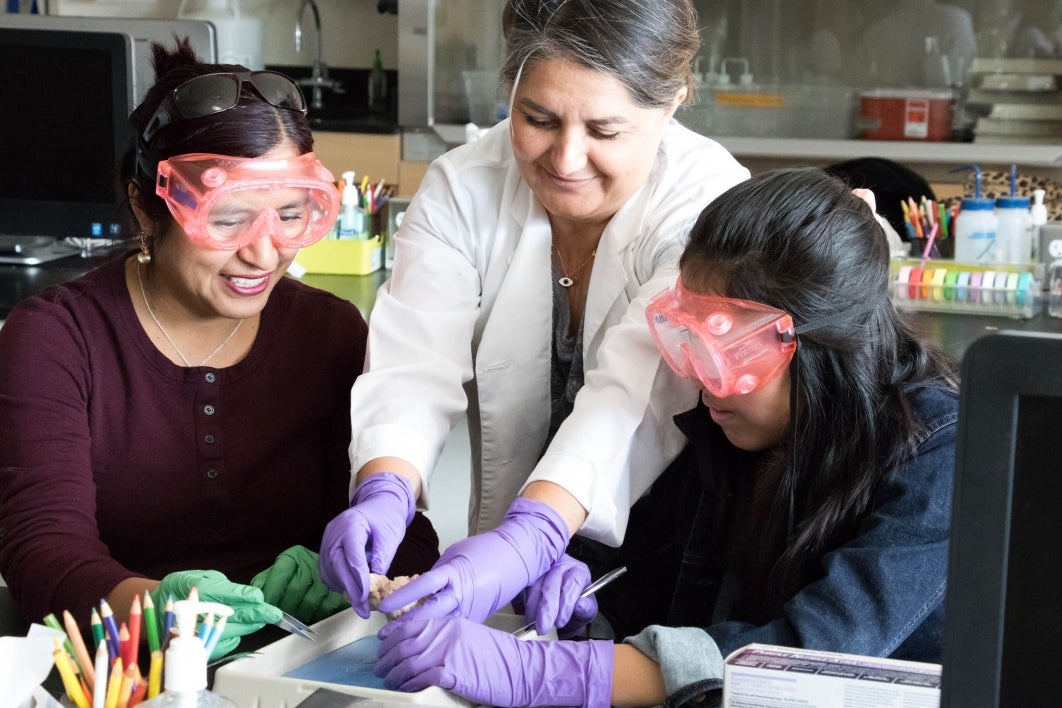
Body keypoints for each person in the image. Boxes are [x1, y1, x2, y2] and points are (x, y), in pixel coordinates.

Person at [372, 167, 960, 708]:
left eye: (722, 356)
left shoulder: (940, 454)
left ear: (820, 345)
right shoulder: (725, 427)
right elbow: (648, 575)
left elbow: (808, 658)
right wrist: (584, 588)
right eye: (684, 342)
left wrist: (545, 672)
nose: (698, 382)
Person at [318, 0, 750, 631]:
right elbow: (413, 362)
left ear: (677, 97)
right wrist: (386, 488)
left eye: (604, 131)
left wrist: (534, 535)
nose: (566, 159)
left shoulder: (709, 207)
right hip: (507, 550)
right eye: (537, 118)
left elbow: (636, 391)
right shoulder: (464, 186)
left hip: (669, 544)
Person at [0, 39, 438, 657]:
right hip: (128, 672)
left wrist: (358, 572)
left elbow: (410, 533)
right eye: (229, 219)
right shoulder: (56, 337)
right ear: (147, 207)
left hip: (297, 662)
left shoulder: (330, 332)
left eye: (291, 214)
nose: (265, 253)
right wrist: (154, 608)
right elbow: (39, 551)